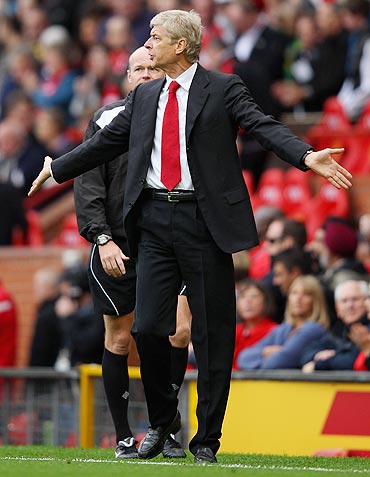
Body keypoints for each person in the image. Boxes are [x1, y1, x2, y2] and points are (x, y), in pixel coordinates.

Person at [28, 9, 352, 463]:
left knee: (212, 336)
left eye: (156, 37)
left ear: (180, 45)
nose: (149, 42)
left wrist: (305, 155)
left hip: (205, 222)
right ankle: (164, 422)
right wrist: (56, 167)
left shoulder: (223, 89)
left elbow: (261, 125)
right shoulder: (144, 99)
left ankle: (206, 441)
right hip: (154, 221)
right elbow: (105, 143)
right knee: (146, 327)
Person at [73, 46, 190, 459]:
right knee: (120, 338)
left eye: (151, 67)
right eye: (137, 68)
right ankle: (124, 436)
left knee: (178, 331)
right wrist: (101, 238)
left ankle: (165, 428)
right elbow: (88, 182)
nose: (144, 73)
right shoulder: (106, 119)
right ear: (126, 77)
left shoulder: (183, 114)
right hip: (117, 245)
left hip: (171, 242)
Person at [237, 275, 330, 369]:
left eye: (306, 294)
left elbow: (279, 362)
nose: (298, 298)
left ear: (316, 301)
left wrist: (258, 364)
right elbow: (243, 357)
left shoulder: (313, 329)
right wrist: (266, 351)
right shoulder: (282, 329)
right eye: (294, 293)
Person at [301, 279, 370, 372]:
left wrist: (319, 363)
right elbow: (305, 354)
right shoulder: (338, 330)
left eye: (355, 299)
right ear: (337, 309)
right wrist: (317, 355)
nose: (350, 305)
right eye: (344, 301)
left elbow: (351, 361)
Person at [233, 279, 277, 369]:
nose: (248, 301)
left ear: (265, 302)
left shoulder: (275, 331)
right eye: (243, 297)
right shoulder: (233, 330)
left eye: (254, 296)